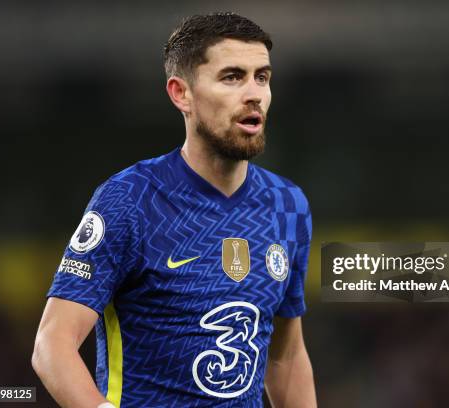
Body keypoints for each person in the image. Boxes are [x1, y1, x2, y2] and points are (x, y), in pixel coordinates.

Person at [32, 12, 316, 408]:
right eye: (232, 77)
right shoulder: (130, 200)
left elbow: (285, 358)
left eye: (262, 77)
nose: (254, 93)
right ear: (181, 93)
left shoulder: (289, 206)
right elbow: (53, 345)